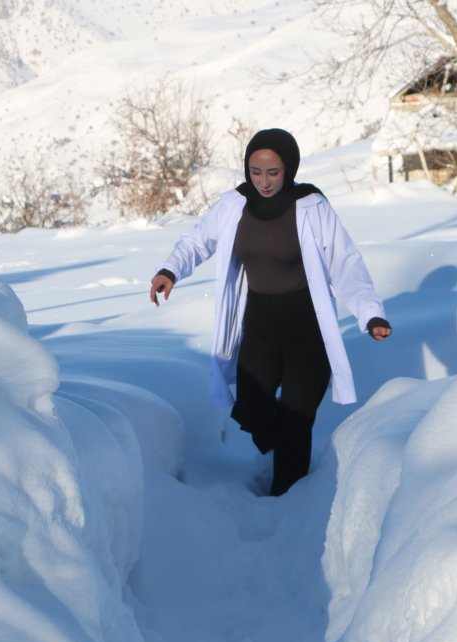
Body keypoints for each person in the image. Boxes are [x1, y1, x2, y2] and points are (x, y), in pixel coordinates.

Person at [149, 128, 390, 496]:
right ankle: (286, 459)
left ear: (289, 168)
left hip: (308, 331)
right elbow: (197, 240)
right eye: (255, 171)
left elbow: (345, 263)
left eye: (273, 172)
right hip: (260, 328)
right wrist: (170, 270)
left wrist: (370, 313)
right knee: (252, 410)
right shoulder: (233, 206)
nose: (263, 181)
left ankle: (288, 500)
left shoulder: (311, 205)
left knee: (296, 420)